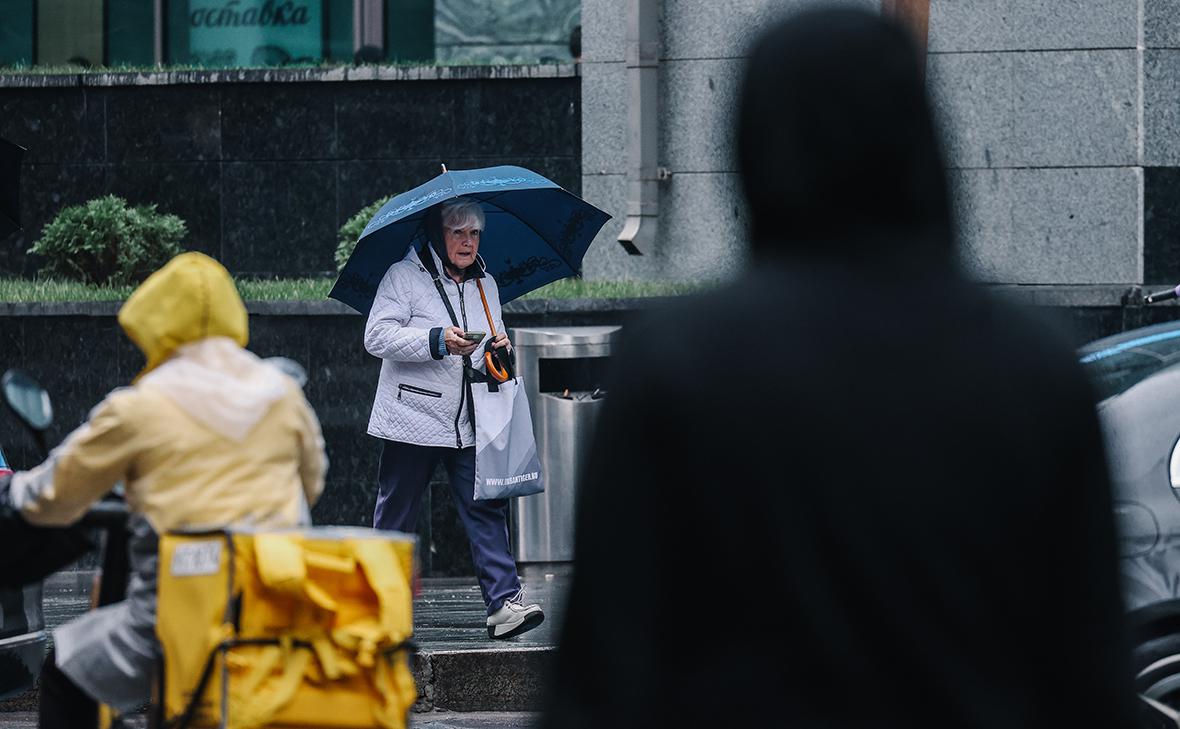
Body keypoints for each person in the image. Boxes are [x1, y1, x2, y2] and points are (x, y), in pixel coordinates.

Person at [544, 7, 1137, 728]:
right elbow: (1088, 675)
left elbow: (602, 680)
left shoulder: (678, 364)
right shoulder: (1036, 367)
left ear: (755, 145)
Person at [0, 252, 327, 728]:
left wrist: (15, 492)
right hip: (278, 604)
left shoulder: (140, 405)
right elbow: (312, 482)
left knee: (66, 666)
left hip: (176, 614)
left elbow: (55, 493)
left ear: (155, 326)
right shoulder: (281, 392)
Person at [365, 196, 544, 639]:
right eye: (457, 232)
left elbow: (486, 361)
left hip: (469, 420)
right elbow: (376, 336)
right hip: (412, 415)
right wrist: (437, 339)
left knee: (486, 507)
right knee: (397, 515)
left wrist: (496, 352)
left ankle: (504, 605)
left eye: (474, 233)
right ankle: (380, 608)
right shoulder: (404, 277)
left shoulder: (488, 285)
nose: (467, 242)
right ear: (436, 234)